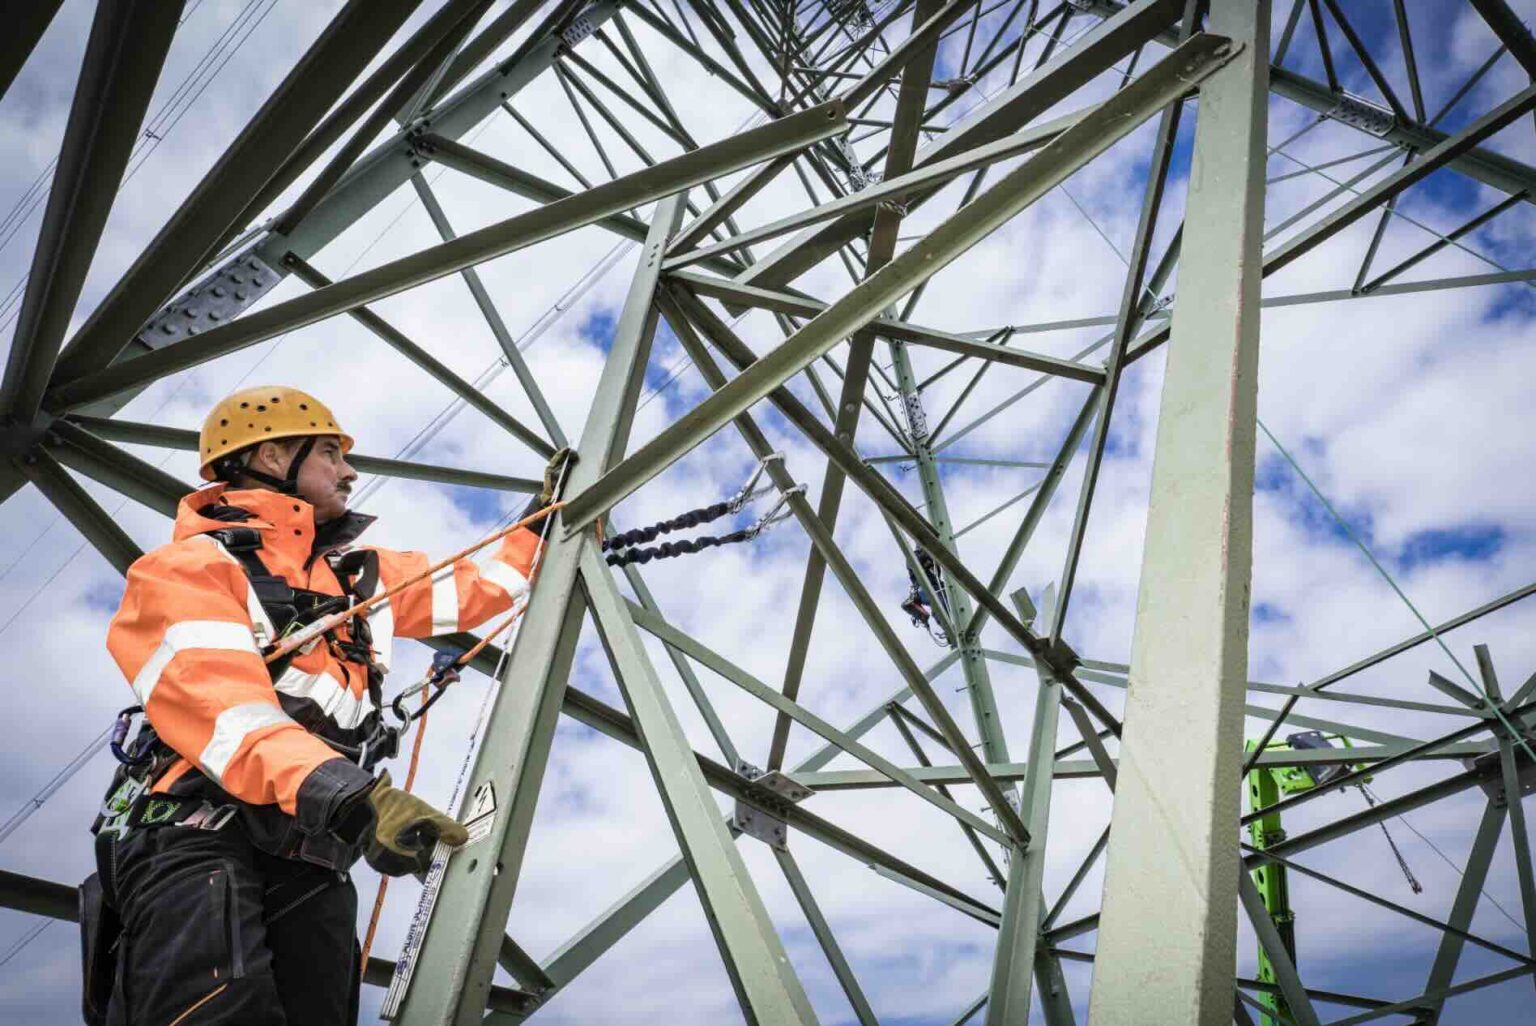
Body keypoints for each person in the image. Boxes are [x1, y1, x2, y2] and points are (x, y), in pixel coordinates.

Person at [81, 386, 567, 1026]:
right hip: (195, 835)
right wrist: (353, 797)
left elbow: (488, 587)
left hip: (311, 847)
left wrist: (550, 513)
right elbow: (225, 713)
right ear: (276, 454)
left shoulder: (361, 575)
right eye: (332, 454)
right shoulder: (187, 569)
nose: (349, 472)